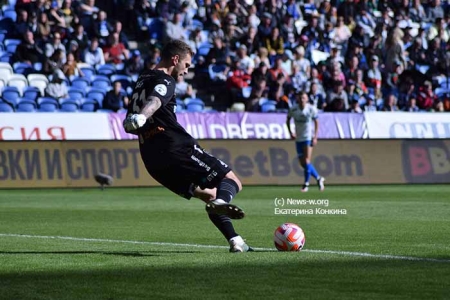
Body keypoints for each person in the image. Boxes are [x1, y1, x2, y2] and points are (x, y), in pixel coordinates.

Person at [122, 39, 252, 253]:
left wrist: (137, 119)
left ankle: (236, 241)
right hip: (175, 148)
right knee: (231, 180)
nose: (186, 70)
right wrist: (142, 116)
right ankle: (223, 202)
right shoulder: (166, 80)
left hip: (152, 159)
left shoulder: (142, 79)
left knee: (209, 195)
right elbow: (155, 101)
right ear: (175, 59)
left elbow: (132, 125)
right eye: (187, 65)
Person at [286, 91, 325, 192]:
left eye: (304, 98)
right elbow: (288, 119)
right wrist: (291, 132)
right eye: (300, 98)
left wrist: (315, 137)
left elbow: (316, 122)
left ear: (307, 99)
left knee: (307, 160)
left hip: (308, 137)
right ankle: (318, 178)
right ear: (298, 99)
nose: (302, 100)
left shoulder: (311, 109)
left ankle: (306, 184)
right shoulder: (293, 109)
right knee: (303, 163)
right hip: (298, 138)